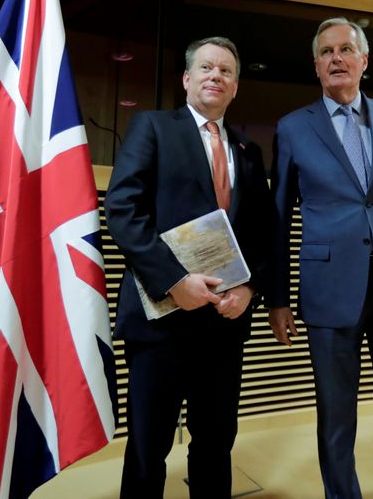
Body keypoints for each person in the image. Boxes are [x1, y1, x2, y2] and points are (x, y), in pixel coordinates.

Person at [268, 17, 373, 499]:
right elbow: (278, 221)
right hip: (329, 291)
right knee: (336, 418)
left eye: (346, 50)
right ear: (316, 66)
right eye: (326, 52)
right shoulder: (292, 128)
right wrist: (277, 298)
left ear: (365, 61)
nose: (336, 59)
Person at [104, 37, 273, 499]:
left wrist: (250, 288)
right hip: (161, 319)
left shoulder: (248, 151)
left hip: (224, 322)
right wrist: (174, 282)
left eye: (226, 71)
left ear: (236, 87)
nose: (215, 75)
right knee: (147, 446)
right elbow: (123, 211)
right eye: (205, 68)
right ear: (186, 78)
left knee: (217, 443)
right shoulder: (153, 127)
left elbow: (261, 232)